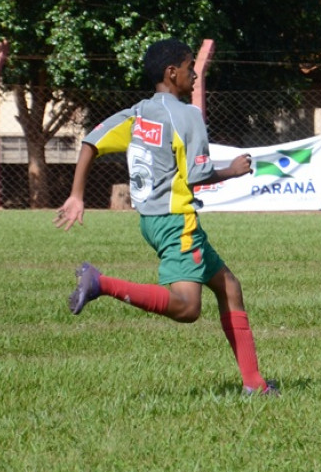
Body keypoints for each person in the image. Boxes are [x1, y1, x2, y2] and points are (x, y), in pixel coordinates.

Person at [54, 38, 277, 396]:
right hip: (177, 222)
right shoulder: (187, 115)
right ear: (172, 73)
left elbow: (91, 142)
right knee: (187, 308)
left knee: (229, 287)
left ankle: (255, 384)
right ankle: (101, 283)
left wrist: (77, 194)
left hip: (151, 222)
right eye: (191, 68)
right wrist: (233, 170)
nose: (196, 75)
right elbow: (198, 175)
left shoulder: (137, 114)